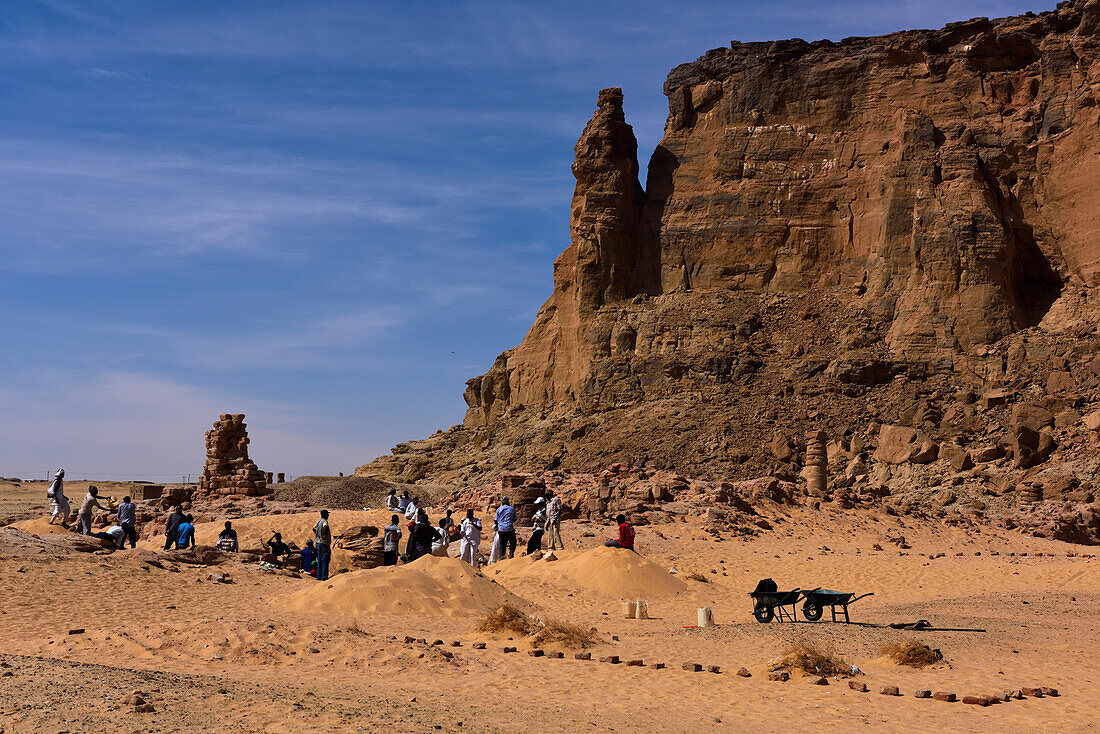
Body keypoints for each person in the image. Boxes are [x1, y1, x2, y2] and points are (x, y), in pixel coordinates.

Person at [314, 510, 332, 581]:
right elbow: (325, 527)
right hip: (324, 543)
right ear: (325, 515)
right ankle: (324, 577)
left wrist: (317, 535)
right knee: (325, 559)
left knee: (319, 559)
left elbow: (313, 528)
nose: (328, 516)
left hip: (318, 542)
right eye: (327, 514)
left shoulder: (318, 521)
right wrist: (324, 535)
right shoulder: (325, 521)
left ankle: (319, 576)